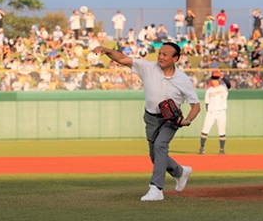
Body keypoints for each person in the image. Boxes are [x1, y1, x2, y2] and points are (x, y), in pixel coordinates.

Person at [93, 42, 201, 201]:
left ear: (175, 58)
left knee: (160, 146)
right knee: (155, 156)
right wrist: (106, 50)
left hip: (170, 120)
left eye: (165, 54)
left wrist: (186, 121)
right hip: (151, 117)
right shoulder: (148, 67)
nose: (161, 57)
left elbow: (196, 106)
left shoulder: (183, 80)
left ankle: (156, 189)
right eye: (160, 53)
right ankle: (180, 172)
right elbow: (123, 59)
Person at [198, 70, 231, 155]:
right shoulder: (209, 90)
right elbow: (206, 103)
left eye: (215, 79)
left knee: (222, 132)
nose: (214, 80)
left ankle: (222, 149)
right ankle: (202, 148)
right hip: (211, 112)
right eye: (213, 79)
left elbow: (229, 85)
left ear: (218, 80)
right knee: (205, 130)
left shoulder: (223, 87)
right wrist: (208, 112)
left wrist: (222, 77)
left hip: (221, 112)